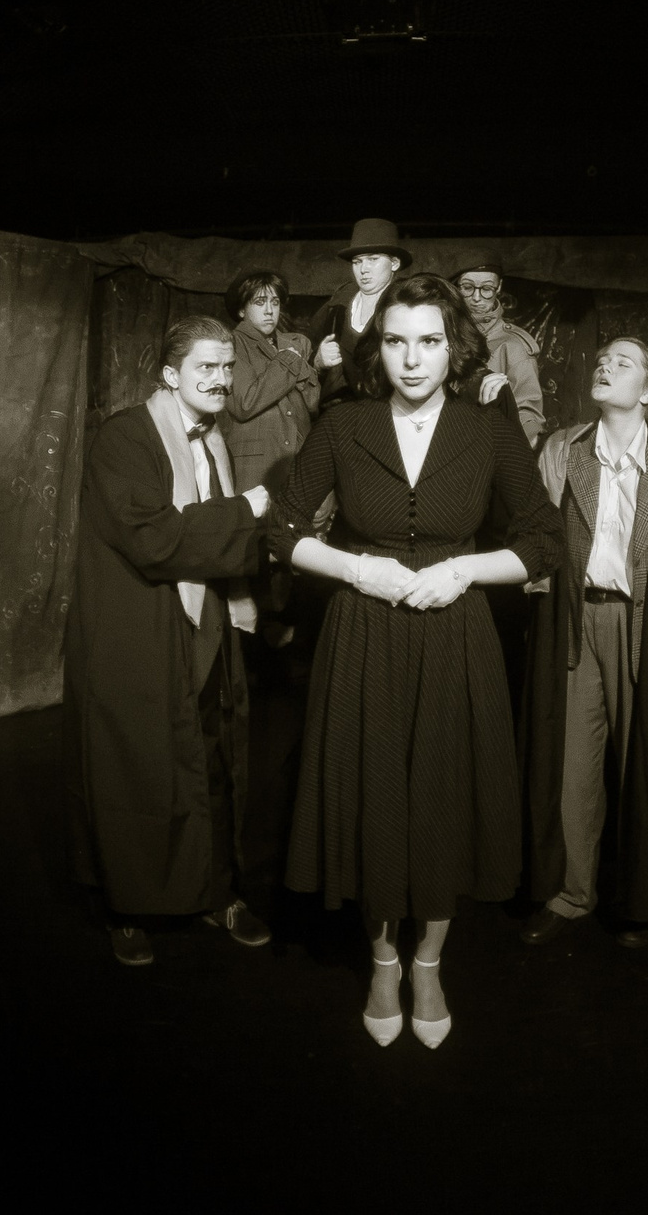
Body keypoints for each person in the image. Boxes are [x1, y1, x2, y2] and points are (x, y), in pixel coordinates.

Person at [270, 273, 561, 1048]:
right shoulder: (343, 424)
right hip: (361, 632)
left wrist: (465, 570)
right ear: (379, 348)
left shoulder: (488, 428)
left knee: (439, 800)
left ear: (453, 347)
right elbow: (281, 530)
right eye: (396, 341)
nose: (411, 358)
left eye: (428, 341)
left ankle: (428, 963)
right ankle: (382, 961)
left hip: (454, 633)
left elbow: (545, 538)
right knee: (374, 798)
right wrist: (355, 568)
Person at [62, 316, 274, 966]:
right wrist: (250, 509)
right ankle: (126, 908)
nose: (220, 379)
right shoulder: (126, 437)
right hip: (136, 624)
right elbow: (152, 537)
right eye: (205, 367)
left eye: (227, 367)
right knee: (134, 768)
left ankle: (215, 893)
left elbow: (208, 534)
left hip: (206, 620)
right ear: (169, 374)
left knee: (210, 759)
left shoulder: (214, 439)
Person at [518, 337, 648, 950]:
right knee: (571, 764)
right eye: (603, 359)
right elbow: (534, 536)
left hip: (645, 629)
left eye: (624, 362)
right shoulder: (561, 450)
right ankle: (570, 894)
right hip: (573, 621)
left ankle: (643, 901)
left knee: (646, 764)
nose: (605, 366)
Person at [219, 268, 318, 498]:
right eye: (260, 302)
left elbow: (313, 404)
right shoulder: (231, 344)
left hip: (297, 463)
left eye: (275, 302)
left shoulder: (294, 343)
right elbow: (244, 404)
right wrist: (288, 362)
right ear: (242, 309)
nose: (269, 310)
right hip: (255, 470)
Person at [303, 218, 411, 408]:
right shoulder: (338, 304)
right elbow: (306, 347)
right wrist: (318, 362)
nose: (363, 269)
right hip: (339, 411)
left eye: (373, 259)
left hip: (392, 410)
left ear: (394, 263)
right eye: (357, 261)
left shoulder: (408, 303)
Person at [455, 254, 547, 447]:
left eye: (487, 289)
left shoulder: (513, 346)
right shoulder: (440, 334)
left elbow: (527, 414)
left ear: (499, 287)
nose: (477, 298)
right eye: (468, 287)